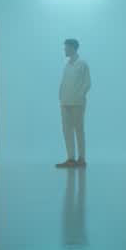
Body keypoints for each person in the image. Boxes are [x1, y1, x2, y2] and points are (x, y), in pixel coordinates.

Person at [56, 38, 91, 168]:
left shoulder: (82, 64)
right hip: (65, 102)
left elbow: (87, 83)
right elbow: (64, 82)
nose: (64, 50)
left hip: (77, 103)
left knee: (79, 130)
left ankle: (81, 158)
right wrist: (60, 96)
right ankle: (71, 158)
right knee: (67, 131)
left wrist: (80, 96)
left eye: (66, 47)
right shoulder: (67, 65)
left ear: (72, 48)